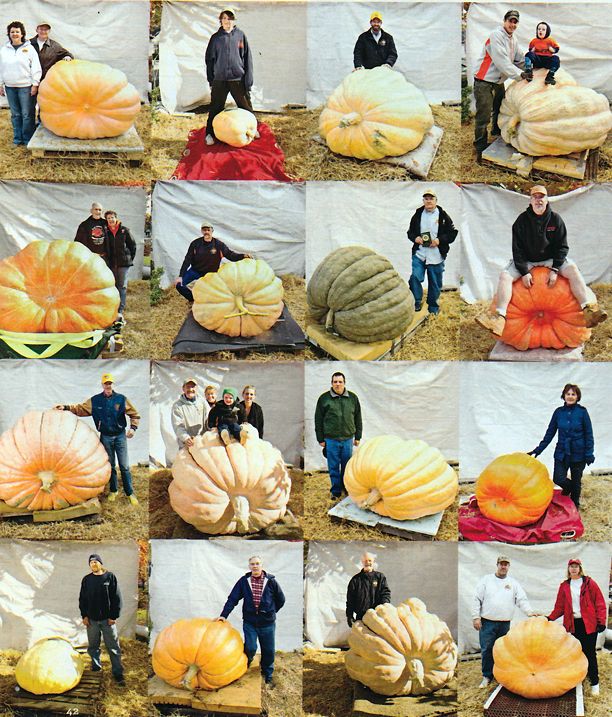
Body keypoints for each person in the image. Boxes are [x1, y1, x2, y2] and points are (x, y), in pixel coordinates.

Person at [476, 186, 608, 336]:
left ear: (546, 199)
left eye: (542, 197)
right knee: (505, 276)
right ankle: (499, 319)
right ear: (531, 200)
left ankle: (588, 311)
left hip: (551, 259)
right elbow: (517, 249)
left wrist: (555, 269)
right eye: (535, 197)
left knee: (573, 270)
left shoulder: (556, 220)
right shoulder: (521, 221)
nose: (538, 200)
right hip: (527, 260)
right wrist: (524, 272)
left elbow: (562, 247)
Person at [54, 373, 140, 505]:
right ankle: (113, 490)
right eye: (106, 383)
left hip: (120, 436)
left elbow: (134, 414)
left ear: (112, 384)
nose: (108, 386)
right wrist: (65, 407)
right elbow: (80, 408)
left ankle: (130, 493)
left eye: (110, 383)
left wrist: (133, 428)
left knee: (124, 466)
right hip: (105, 436)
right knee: (110, 465)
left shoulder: (121, 399)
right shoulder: (95, 400)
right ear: (102, 385)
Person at [217, 555, 285, 687]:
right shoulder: (244, 581)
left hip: (267, 623)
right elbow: (233, 599)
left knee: (268, 650)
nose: (255, 566)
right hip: (250, 622)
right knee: (250, 647)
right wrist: (223, 615)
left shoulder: (271, 581)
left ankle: (268, 673)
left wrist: (271, 612)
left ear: (262, 565)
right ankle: (244, 664)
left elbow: (281, 599)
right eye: (252, 564)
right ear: (249, 566)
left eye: (257, 563)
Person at [471, 555, 536, 688]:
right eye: (501, 564)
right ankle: (487, 676)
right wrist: (476, 617)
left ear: (509, 567)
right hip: (487, 622)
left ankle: (501, 675)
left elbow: (521, 600)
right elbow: (477, 598)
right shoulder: (486, 580)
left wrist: (529, 612)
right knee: (487, 649)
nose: (503, 566)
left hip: (504, 623)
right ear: (497, 565)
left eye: (506, 564)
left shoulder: (513, 583)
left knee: (504, 650)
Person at [527, 384, 594, 509]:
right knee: (558, 478)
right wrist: (538, 450)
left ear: (577, 396)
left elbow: (589, 434)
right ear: (563, 396)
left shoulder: (582, 412)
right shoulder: (558, 412)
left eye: (573, 394)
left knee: (576, 480)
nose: (570, 396)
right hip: (562, 451)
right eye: (568, 394)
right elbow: (550, 433)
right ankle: (569, 488)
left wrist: (589, 453)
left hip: (579, 452)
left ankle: (575, 505)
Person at [547, 558, 607, 696]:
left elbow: (599, 603)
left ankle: (594, 682)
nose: (574, 569)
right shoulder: (564, 586)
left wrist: (601, 621)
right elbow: (560, 607)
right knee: (573, 653)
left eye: (576, 566)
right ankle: (577, 678)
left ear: (580, 568)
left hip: (589, 624)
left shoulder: (589, 583)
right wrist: (550, 618)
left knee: (589, 653)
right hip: (573, 624)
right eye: (571, 566)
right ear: (568, 569)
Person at [473, 10, 524, 158]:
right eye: (510, 21)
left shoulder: (513, 39)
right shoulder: (496, 35)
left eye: (515, 22)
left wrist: (530, 68)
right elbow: (501, 61)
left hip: (498, 81)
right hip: (484, 81)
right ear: (504, 21)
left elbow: (518, 59)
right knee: (483, 116)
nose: (512, 24)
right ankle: (480, 147)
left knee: (499, 109)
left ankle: (496, 132)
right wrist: (520, 75)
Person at [204, 10, 256, 146]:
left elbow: (247, 59)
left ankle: (252, 129)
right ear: (220, 21)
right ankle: (210, 133)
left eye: (230, 18)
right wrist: (211, 79)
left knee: (245, 105)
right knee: (215, 107)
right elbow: (209, 60)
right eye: (224, 18)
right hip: (220, 79)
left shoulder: (240, 36)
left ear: (234, 20)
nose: (227, 21)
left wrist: (248, 80)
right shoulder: (215, 38)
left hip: (237, 79)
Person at [407, 189, 458, 315]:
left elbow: (452, 233)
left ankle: (433, 307)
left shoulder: (443, 216)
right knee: (415, 277)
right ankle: (416, 301)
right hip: (420, 253)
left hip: (436, 255)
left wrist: (439, 241)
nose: (429, 201)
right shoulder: (418, 214)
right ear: (423, 201)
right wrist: (416, 238)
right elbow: (410, 232)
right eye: (426, 198)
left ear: (436, 200)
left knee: (435, 283)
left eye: (431, 198)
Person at [175, 222, 250, 303]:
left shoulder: (219, 245)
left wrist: (243, 256)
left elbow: (231, 255)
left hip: (211, 274)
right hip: (195, 271)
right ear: (201, 231)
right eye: (204, 230)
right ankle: (193, 299)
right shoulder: (195, 244)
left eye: (208, 230)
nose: (206, 232)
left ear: (212, 231)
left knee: (220, 295)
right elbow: (187, 260)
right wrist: (181, 276)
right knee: (179, 285)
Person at [314, 372, 362, 500]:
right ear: (331, 383)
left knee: (347, 466)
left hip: (347, 439)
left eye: (340, 381)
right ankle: (336, 491)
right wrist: (320, 438)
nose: (337, 384)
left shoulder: (352, 398)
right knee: (333, 466)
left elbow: (358, 417)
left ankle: (346, 488)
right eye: (335, 382)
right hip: (331, 440)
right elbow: (318, 419)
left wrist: (358, 436)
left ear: (344, 383)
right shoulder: (324, 399)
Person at [79, 553, 125, 685]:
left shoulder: (110, 577)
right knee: (93, 647)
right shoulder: (86, 580)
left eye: (96, 561)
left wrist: (113, 616)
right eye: (91, 562)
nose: (93, 564)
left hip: (107, 621)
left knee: (113, 647)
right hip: (92, 621)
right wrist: (84, 616)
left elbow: (117, 598)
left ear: (101, 563)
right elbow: (83, 599)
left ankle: (118, 673)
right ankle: (96, 669)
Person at [0, 21, 41, 146]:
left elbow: (36, 67)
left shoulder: (29, 49)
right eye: (12, 32)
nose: (15, 34)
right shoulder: (4, 49)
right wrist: (0, 84)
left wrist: (35, 84)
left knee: (27, 114)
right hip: (10, 87)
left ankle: (28, 139)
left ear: (22, 33)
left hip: (25, 87)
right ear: (9, 34)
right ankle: (18, 139)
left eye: (17, 31)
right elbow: (1, 67)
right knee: (15, 114)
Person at [105, 210, 136, 320]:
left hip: (123, 263)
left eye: (112, 217)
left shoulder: (124, 230)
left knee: (122, 286)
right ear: (106, 220)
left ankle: (120, 309)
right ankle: (113, 306)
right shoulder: (106, 232)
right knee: (113, 285)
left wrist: (129, 259)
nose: (111, 220)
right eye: (108, 218)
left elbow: (132, 246)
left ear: (116, 218)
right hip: (112, 263)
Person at [346, 552, 391, 627]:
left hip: (377, 617)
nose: (367, 563)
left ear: (373, 561)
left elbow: (385, 593)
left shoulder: (380, 577)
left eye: (369, 560)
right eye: (365, 561)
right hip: (361, 618)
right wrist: (349, 615)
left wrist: (383, 607)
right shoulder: (355, 580)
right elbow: (350, 600)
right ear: (362, 562)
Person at [171, 377, 207, 449]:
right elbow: (177, 425)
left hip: (202, 442)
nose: (190, 389)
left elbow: (208, 417)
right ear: (183, 389)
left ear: (196, 388)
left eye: (193, 387)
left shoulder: (202, 402)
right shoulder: (177, 406)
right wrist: (185, 438)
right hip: (187, 444)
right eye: (188, 387)